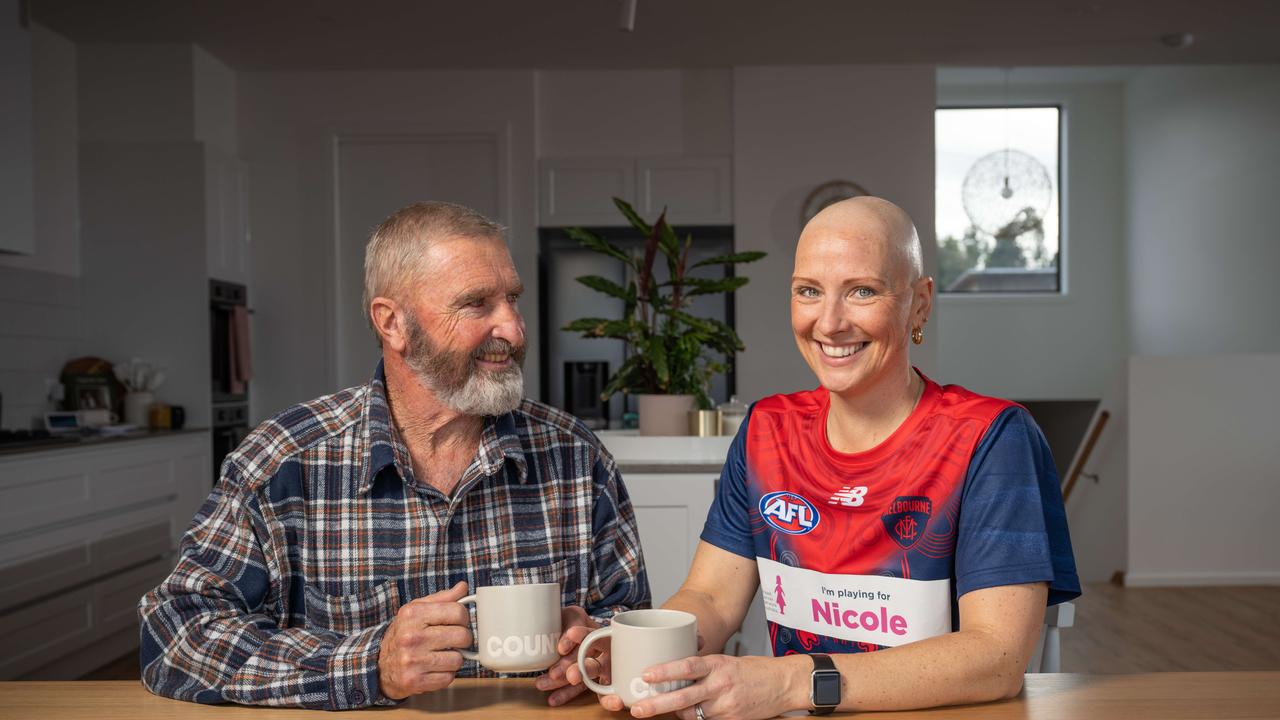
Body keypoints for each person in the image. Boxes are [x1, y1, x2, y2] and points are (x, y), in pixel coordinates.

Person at [548, 196, 1080, 718]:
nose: (829, 323)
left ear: (919, 302)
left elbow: (996, 657)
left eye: (862, 291)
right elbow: (710, 598)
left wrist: (791, 682)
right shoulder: (766, 430)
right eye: (809, 291)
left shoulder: (989, 436)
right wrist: (634, 650)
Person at [139, 201, 650, 709]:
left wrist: (597, 646)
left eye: (512, 300)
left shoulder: (575, 456)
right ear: (392, 324)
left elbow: (630, 615)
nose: (515, 331)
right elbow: (177, 634)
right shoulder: (285, 460)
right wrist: (370, 665)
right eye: (477, 304)